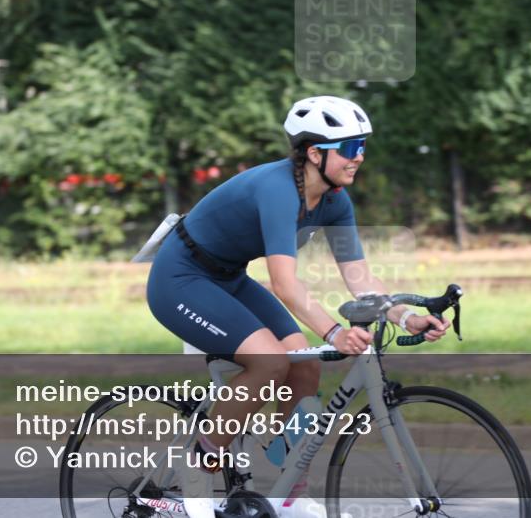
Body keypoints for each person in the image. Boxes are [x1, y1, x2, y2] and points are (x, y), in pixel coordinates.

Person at [146, 95, 449, 518]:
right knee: (270, 361)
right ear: (314, 153)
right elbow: (284, 283)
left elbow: (360, 277)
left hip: (227, 277)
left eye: (362, 146)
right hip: (179, 280)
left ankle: (288, 491)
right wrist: (334, 332)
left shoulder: (335, 200)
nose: (358, 156)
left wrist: (406, 315)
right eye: (348, 147)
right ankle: (197, 466)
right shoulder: (278, 190)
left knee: (304, 364)